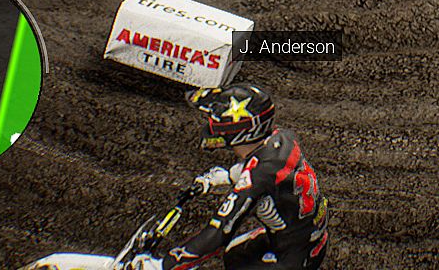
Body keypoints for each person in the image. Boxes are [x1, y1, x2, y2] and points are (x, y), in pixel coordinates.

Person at [136, 83, 329, 270]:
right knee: (235, 255)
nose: (211, 127)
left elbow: (218, 233)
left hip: (294, 258)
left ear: (240, 129)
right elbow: (271, 169)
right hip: (304, 238)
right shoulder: (283, 138)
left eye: (217, 123)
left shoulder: (260, 177)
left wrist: (163, 265)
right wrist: (228, 176)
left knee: (229, 251)